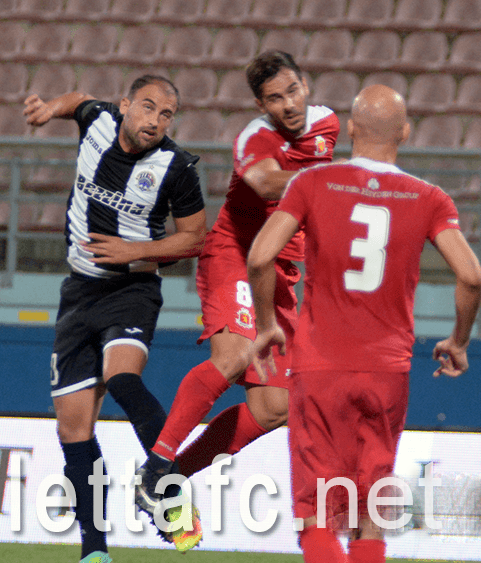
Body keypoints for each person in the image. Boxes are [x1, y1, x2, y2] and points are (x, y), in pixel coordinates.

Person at [244, 85, 481, 563]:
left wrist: (268, 323)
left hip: (319, 365)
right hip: (386, 371)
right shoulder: (429, 198)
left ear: (350, 129)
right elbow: (472, 276)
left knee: (314, 515)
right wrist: (458, 340)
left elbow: (260, 257)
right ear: (405, 132)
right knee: (367, 513)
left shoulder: (312, 184)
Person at [135, 51, 337, 524]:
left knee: (274, 408)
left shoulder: (327, 124)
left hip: (281, 272)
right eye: (274, 98)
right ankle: (156, 464)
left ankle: (170, 479)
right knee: (234, 357)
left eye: (292, 91)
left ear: (306, 85)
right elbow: (267, 184)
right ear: (260, 104)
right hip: (237, 257)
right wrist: (331, 179)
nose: (287, 104)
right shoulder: (255, 138)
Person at [23, 75, 207, 561]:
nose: (155, 121)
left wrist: (134, 250)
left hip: (131, 289)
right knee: (73, 429)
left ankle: (171, 497)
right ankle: (95, 552)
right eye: (147, 107)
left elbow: (194, 238)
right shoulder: (98, 121)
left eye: (166, 114)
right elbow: (77, 101)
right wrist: (48, 109)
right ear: (125, 105)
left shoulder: (177, 167)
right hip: (78, 292)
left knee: (122, 378)